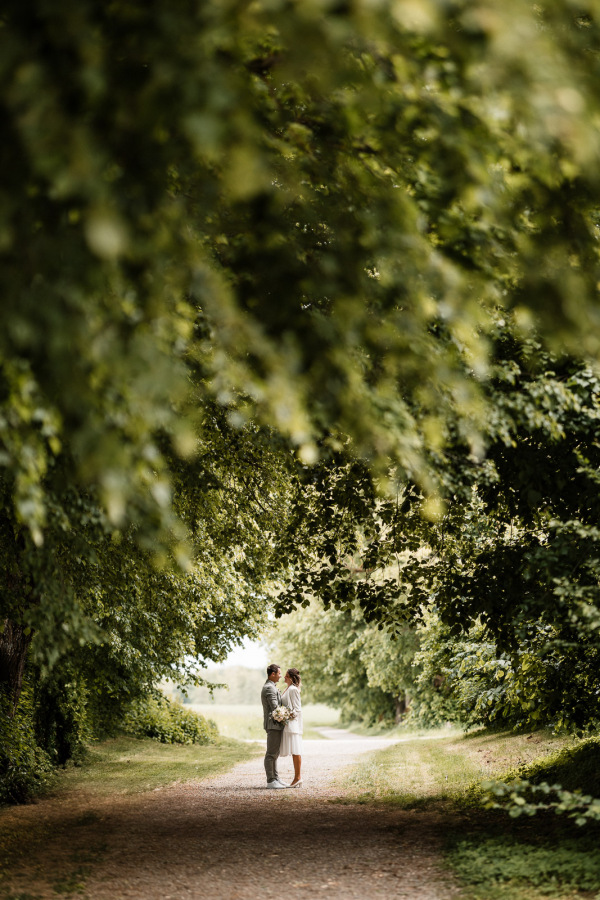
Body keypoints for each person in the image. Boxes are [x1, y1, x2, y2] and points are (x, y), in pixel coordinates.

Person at [260, 663, 287, 789]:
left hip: (276, 725)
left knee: (275, 753)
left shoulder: (272, 686)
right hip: (273, 725)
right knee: (271, 754)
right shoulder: (269, 688)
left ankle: (275, 778)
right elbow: (275, 708)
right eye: (279, 673)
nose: (280, 676)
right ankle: (271, 780)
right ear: (273, 674)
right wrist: (287, 714)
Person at [280, 667, 303, 788]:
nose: (284, 677)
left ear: (290, 677)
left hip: (292, 724)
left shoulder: (293, 689)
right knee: (294, 750)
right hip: (287, 723)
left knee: (296, 750)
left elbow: (297, 709)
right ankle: (297, 777)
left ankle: (298, 777)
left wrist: (286, 715)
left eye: (286, 675)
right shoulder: (287, 688)